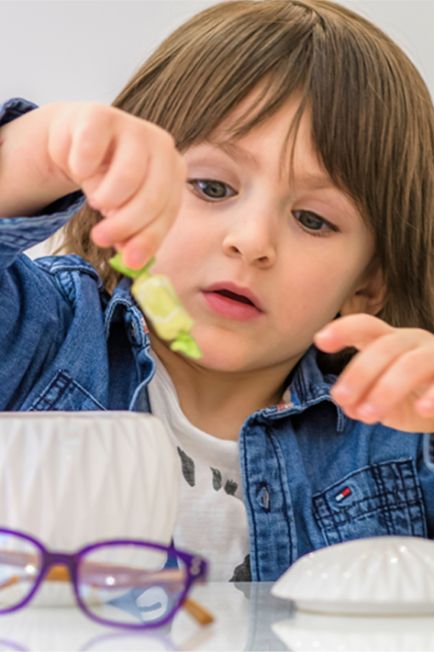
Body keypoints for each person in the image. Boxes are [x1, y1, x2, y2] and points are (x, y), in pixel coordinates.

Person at [0, 0, 433, 582]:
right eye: (211, 186)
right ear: (118, 191)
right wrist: (39, 153)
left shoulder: (400, 441)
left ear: (368, 284)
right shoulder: (44, 334)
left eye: (312, 220)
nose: (252, 241)